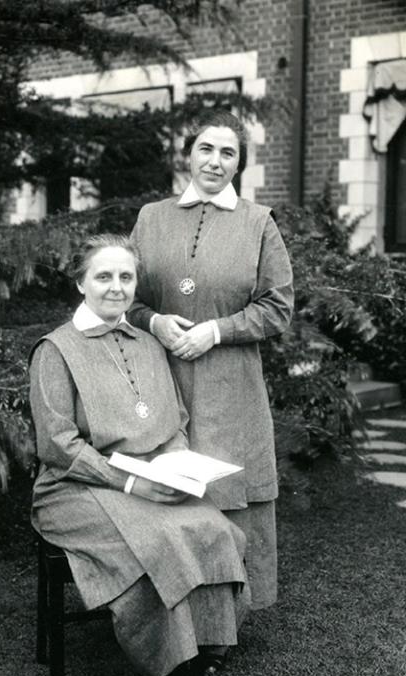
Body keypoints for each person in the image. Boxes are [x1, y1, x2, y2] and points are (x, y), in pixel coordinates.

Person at [29, 233, 251, 676]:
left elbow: (173, 421)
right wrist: (130, 482)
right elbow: (59, 445)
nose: (116, 287)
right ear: (81, 282)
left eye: (126, 277)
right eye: (103, 276)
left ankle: (195, 659)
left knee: (213, 529)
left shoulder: (148, 343)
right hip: (73, 489)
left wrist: (177, 463)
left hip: (148, 479)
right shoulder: (55, 350)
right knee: (155, 544)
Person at [129, 110, 294, 615]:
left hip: (230, 386)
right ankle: (168, 613)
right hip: (162, 381)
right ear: (188, 154)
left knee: (226, 489)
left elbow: (278, 307)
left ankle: (227, 617)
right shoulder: (151, 218)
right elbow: (124, 298)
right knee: (168, 491)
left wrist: (217, 331)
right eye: (206, 149)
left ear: (239, 164)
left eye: (228, 153)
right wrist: (155, 322)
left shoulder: (257, 223)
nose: (215, 161)